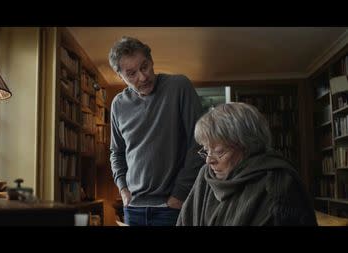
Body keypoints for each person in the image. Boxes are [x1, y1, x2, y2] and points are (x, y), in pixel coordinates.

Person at [108, 36, 204, 226]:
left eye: (144, 67)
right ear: (121, 77)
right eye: (132, 73)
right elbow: (116, 152)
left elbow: (200, 143)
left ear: (152, 61)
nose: (143, 77)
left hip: (171, 206)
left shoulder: (179, 87)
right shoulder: (118, 104)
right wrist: (123, 189)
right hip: (133, 207)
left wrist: (179, 195)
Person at [176, 102, 317, 226]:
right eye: (206, 150)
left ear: (248, 146)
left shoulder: (279, 183)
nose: (209, 160)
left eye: (219, 151)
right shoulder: (206, 175)